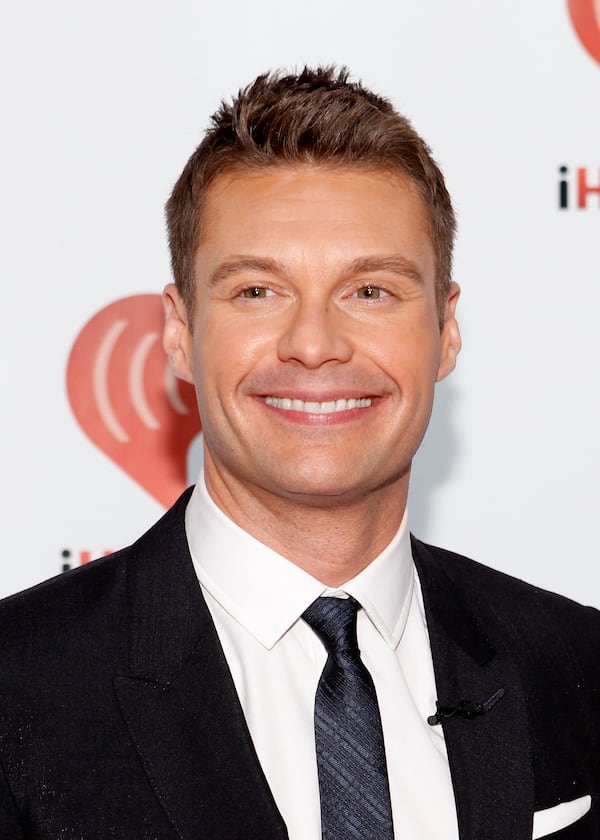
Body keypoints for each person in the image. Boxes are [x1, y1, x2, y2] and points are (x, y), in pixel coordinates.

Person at [0, 67, 598, 840]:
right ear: (179, 334)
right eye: (257, 291)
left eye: (371, 291)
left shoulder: (577, 668)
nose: (314, 345)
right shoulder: (17, 690)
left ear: (446, 330)